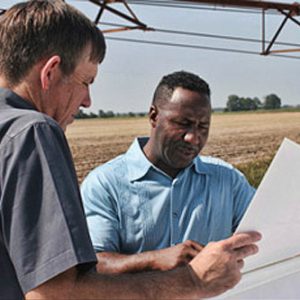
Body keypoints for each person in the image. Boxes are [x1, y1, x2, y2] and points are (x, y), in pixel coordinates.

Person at [0, 1, 261, 299]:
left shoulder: (228, 179)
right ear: (51, 71)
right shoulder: (34, 131)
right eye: (86, 81)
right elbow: (55, 292)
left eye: (203, 126)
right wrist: (193, 281)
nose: (87, 101)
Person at [81, 70, 257, 275]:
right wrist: (154, 259)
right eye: (183, 124)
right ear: (154, 116)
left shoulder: (228, 180)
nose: (193, 137)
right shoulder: (105, 184)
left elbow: (268, 230)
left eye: (203, 127)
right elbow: (93, 265)